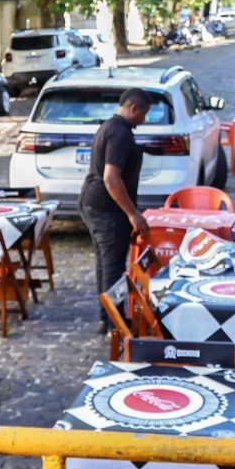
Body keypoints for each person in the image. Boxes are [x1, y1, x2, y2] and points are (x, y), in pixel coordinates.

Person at [79, 88, 152, 324]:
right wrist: (132, 213)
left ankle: (107, 318)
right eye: (143, 114)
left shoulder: (109, 127)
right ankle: (116, 324)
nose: (144, 120)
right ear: (133, 108)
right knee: (113, 268)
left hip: (95, 204)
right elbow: (111, 178)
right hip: (107, 209)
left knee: (105, 264)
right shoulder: (119, 133)